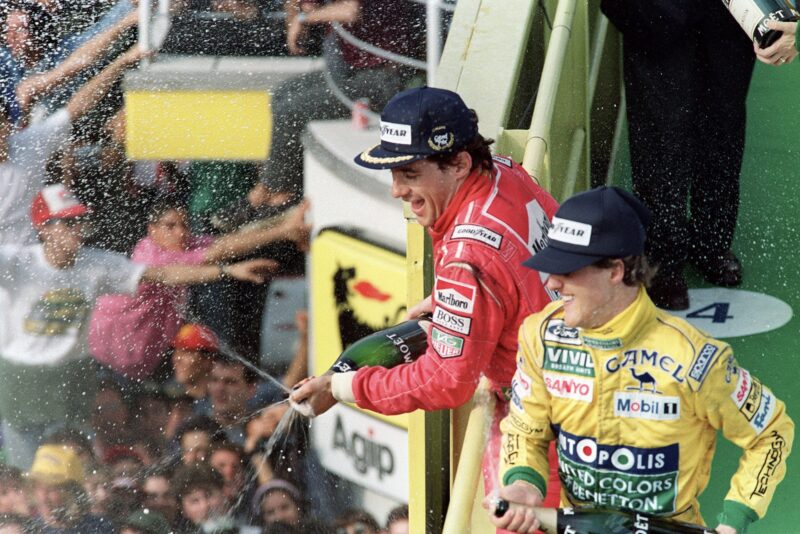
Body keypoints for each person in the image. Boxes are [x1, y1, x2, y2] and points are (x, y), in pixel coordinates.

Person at [290, 86, 561, 503]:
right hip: (578, 374)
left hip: (550, 423)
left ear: (458, 163)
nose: (396, 191)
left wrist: (341, 388)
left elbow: (444, 382)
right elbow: (528, 257)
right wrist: (465, 305)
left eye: (410, 174)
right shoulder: (504, 171)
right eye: (394, 174)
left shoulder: (467, 261)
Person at [488, 186, 794, 534]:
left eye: (568, 270)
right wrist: (524, 484)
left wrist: (735, 521)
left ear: (616, 270)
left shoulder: (694, 359)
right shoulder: (541, 335)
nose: (554, 283)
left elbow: (771, 431)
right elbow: (526, 431)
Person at [0, 184, 274, 469]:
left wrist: (226, 271)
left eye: (79, 220)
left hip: (73, 379)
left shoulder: (95, 264)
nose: (76, 228)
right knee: (25, 475)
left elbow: (163, 274)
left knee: (75, 472)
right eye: (67, 222)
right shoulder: (16, 262)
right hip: (21, 381)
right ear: (43, 228)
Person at [600, 1, 755, 310]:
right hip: (654, 11)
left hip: (732, 16)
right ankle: (661, 260)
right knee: (658, 134)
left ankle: (711, 241)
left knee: (723, 123)